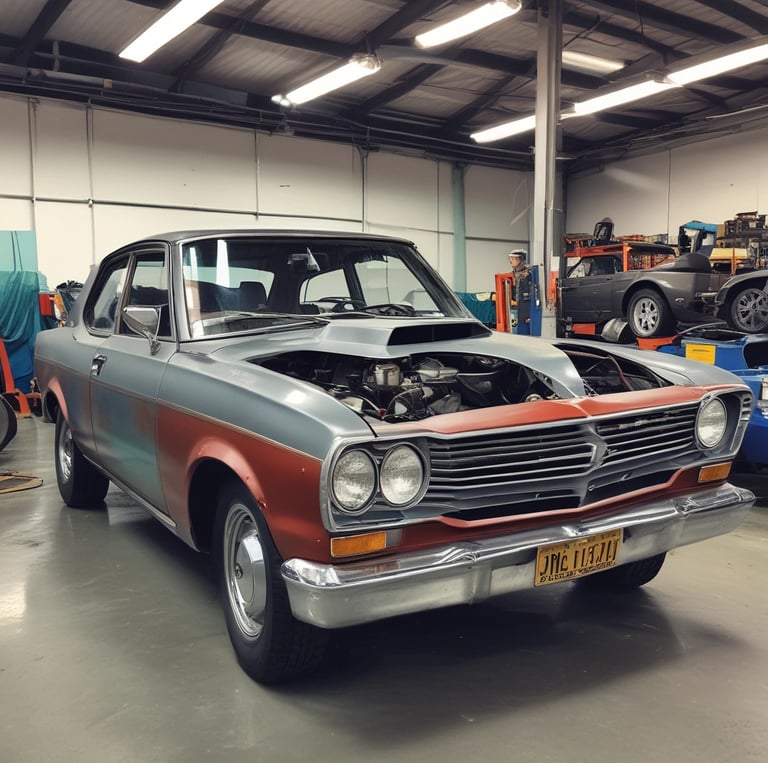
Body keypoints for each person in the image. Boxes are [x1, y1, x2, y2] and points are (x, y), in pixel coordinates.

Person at [507, 249, 532, 334]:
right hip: (514, 309)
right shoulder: (510, 275)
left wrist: (529, 315)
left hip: (525, 311)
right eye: (511, 259)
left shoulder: (529, 275)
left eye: (514, 259)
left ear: (521, 260)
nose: (511, 262)